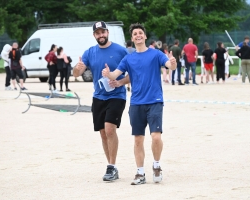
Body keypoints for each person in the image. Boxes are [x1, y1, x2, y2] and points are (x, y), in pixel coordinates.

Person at [102, 23, 177, 185]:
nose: (138, 35)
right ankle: (140, 173)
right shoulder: (128, 58)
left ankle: (156, 165)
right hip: (136, 103)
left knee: (156, 137)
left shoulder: (156, 54)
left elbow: (170, 66)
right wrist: (108, 74)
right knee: (138, 140)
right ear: (132, 38)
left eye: (140, 33)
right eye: (135, 33)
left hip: (155, 101)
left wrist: (173, 62)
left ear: (145, 36)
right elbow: (116, 74)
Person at [73, 21, 127, 181]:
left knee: (110, 129)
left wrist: (119, 81)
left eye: (103, 32)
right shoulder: (90, 52)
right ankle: (111, 167)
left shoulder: (120, 51)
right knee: (103, 134)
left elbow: (133, 72)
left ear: (107, 32)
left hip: (117, 96)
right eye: (98, 33)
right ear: (94, 35)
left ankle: (112, 166)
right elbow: (76, 73)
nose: (101, 35)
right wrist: (78, 67)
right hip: (98, 97)